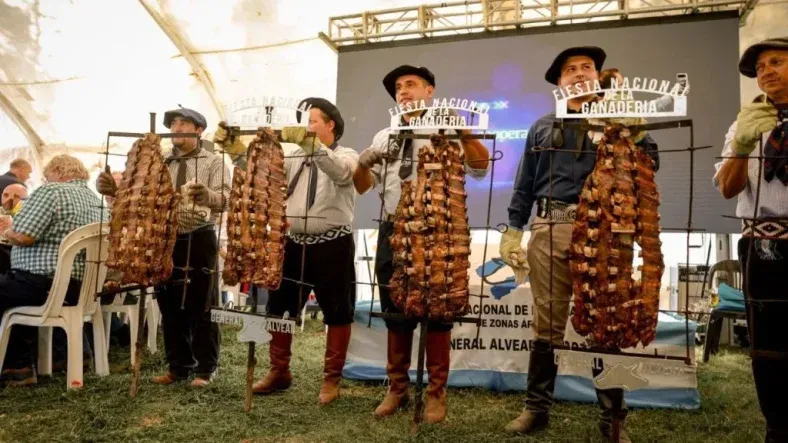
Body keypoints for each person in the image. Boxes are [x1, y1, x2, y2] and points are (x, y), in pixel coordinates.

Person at [500, 46, 660, 442]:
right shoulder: (541, 126)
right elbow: (524, 182)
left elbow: (651, 162)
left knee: (608, 324)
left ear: (599, 75)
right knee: (547, 323)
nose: (578, 73)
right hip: (550, 225)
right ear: (559, 82)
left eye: (587, 67)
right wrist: (513, 228)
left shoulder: (619, 119)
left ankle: (613, 419)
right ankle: (536, 409)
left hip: (607, 231)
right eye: (569, 70)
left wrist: (630, 128)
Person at [353, 65, 490, 423]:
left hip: (439, 230)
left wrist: (466, 134)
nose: (403, 92)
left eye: (410, 84)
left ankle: (435, 393)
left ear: (430, 90)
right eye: (398, 87)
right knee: (395, 308)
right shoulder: (386, 134)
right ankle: (397, 387)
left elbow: (480, 167)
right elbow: (362, 185)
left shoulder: (445, 127)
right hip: (394, 228)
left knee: (440, 312)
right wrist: (364, 162)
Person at [96, 107, 231, 388]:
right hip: (162, 239)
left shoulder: (213, 161)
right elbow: (137, 198)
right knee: (169, 303)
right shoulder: (159, 161)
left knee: (202, 303)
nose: (177, 127)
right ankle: (178, 366)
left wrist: (208, 195)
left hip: (199, 236)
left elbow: (228, 199)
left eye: (184, 123)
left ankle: (206, 368)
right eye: (173, 123)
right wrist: (112, 189)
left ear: (198, 130)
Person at [248, 98, 360, 406]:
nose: (306, 127)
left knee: (337, 312)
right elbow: (264, 176)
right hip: (294, 242)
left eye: (312, 121)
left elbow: (342, 174)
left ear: (330, 125)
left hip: (333, 244)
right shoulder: (294, 156)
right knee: (279, 307)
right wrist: (243, 150)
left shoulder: (347, 155)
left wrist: (312, 146)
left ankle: (331, 379)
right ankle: (279, 370)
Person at [713, 36, 788, 443]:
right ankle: (776, 427)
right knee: (767, 346)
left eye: (776, 61)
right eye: (761, 67)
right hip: (761, 245)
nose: (766, 71)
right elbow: (727, 188)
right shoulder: (742, 122)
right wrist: (741, 145)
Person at [0, 155, 106, 386]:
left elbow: (24, 236)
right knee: (13, 293)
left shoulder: (51, 191)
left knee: (9, 289)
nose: (45, 180)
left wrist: (7, 231)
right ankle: (59, 356)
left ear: (57, 171)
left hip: (42, 284)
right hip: (78, 288)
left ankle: (18, 366)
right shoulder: (97, 201)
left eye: (46, 176)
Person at [598, 68, 689, 112]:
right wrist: (671, 96)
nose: (624, 89)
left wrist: (672, 96)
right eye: (620, 85)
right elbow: (642, 110)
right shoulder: (608, 106)